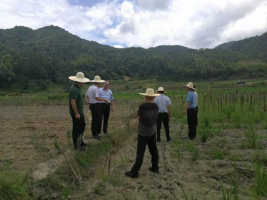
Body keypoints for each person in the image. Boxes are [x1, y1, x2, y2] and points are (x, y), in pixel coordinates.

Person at [125, 88, 160, 178]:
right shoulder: (156, 106)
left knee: (140, 152)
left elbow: (138, 116)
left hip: (143, 133)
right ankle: (155, 167)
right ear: (153, 97)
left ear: (146, 96)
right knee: (154, 150)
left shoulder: (142, 106)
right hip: (152, 132)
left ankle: (135, 172)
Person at [69, 72, 90, 150]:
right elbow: (73, 102)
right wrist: (76, 113)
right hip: (76, 113)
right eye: (82, 81)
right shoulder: (74, 89)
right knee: (76, 128)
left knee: (82, 126)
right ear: (79, 81)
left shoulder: (77, 88)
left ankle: (80, 142)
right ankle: (77, 146)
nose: (83, 83)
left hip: (80, 112)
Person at [85, 76, 108, 140]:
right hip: (95, 105)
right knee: (97, 119)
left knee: (94, 120)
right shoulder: (95, 89)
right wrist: (104, 100)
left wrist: (87, 102)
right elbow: (97, 98)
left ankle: (94, 133)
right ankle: (95, 134)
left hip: (91, 105)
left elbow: (86, 96)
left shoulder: (90, 87)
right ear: (98, 82)